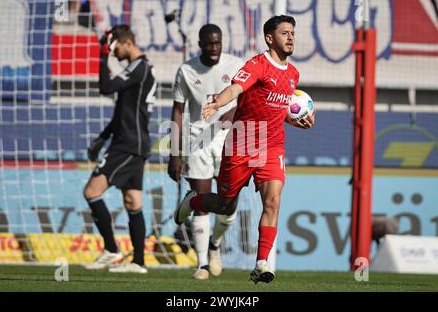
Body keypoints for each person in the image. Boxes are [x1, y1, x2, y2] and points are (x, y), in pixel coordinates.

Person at [173, 15, 316, 283]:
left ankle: (261, 263)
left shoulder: (293, 74)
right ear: (269, 38)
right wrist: (217, 103)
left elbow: (276, 107)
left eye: (293, 32)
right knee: (226, 206)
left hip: (272, 146)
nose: (291, 37)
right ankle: (193, 200)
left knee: (273, 201)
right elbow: (236, 88)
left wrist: (296, 118)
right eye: (285, 32)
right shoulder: (257, 65)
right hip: (243, 142)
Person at [168, 24, 244, 280]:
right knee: (201, 200)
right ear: (200, 44)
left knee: (229, 205)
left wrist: (226, 117)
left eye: (218, 43)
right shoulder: (187, 70)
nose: (214, 48)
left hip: (228, 139)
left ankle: (215, 244)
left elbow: (244, 101)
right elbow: (178, 110)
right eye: (209, 44)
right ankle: (201, 264)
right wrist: (175, 153)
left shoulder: (235, 66)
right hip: (197, 139)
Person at [83, 24, 156, 274]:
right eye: (109, 50)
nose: (112, 53)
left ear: (126, 42)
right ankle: (138, 262)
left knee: (92, 191)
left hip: (129, 145)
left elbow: (105, 87)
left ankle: (112, 249)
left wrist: (102, 54)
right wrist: (102, 138)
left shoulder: (140, 68)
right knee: (132, 201)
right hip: (131, 142)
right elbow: (121, 113)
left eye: (114, 48)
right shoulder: (135, 70)